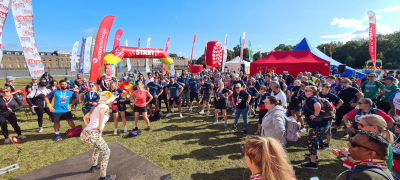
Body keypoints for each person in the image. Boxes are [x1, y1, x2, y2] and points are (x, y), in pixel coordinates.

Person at [81, 91, 117, 180]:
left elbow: (85, 117)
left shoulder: (96, 106)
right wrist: (99, 126)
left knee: (97, 148)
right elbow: (101, 113)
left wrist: (89, 128)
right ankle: (103, 177)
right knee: (106, 152)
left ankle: (94, 166)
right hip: (93, 134)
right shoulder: (105, 107)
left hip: (85, 133)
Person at [301, 86, 330, 169]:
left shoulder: (311, 99)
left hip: (318, 125)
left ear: (312, 92)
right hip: (324, 124)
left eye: (307, 90)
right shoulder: (317, 97)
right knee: (315, 141)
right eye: (305, 90)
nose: (305, 91)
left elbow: (317, 106)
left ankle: (313, 163)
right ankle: (314, 157)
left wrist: (315, 115)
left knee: (312, 142)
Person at [318, 83, 344, 149]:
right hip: (319, 113)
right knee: (318, 127)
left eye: (329, 87)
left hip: (328, 115)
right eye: (327, 87)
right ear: (322, 87)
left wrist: (335, 109)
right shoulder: (318, 94)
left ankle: (328, 144)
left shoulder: (331, 95)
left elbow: (341, 102)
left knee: (328, 129)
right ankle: (320, 142)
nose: (328, 88)